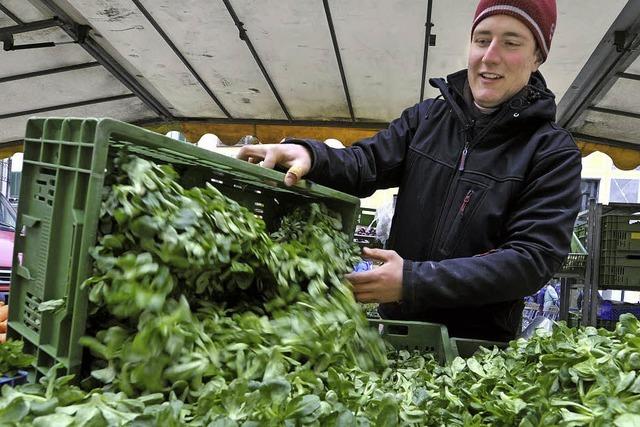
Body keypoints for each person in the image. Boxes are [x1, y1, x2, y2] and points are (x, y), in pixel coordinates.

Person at [238, 0, 581, 341]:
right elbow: (365, 164)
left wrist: (413, 281)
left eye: (511, 43)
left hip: (478, 351)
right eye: (481, 39)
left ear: (537, 57)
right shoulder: (428, 118)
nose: (489, 56)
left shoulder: (551, 151)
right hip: (398, 334)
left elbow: (530, 260)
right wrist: (310, 154)